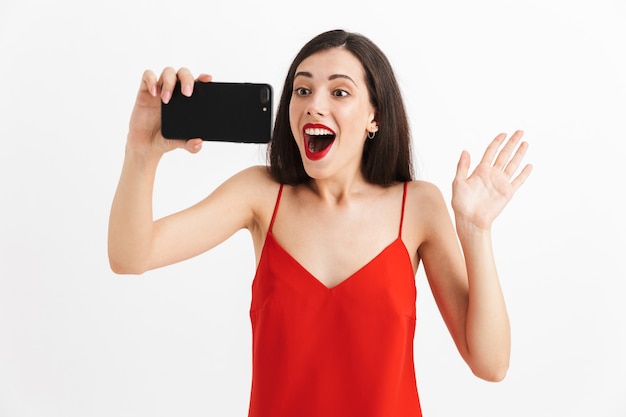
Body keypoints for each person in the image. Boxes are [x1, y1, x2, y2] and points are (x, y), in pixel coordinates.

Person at [108, 29, 532, 417]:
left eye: (340, 92)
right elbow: (131, 256)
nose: (315, 104)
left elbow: (490, 363)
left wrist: (475, 231)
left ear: (375, 117)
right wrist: (141, 153)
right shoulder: (260, 195)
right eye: (303, 89)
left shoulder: (417, 205)